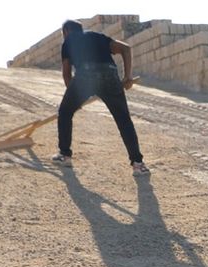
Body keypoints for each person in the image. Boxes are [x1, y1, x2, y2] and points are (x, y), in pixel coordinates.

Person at [52, 20, 149, 176]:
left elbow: (66, 73)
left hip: (85, 75)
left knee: (64, 112)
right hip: (110, 74)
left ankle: (65, 155)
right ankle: (138, 164)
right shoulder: (97, 36)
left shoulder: (68, 41)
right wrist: (127, 77)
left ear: (66, 31)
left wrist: (74, 98)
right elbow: (126, 48)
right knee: (124, 120)